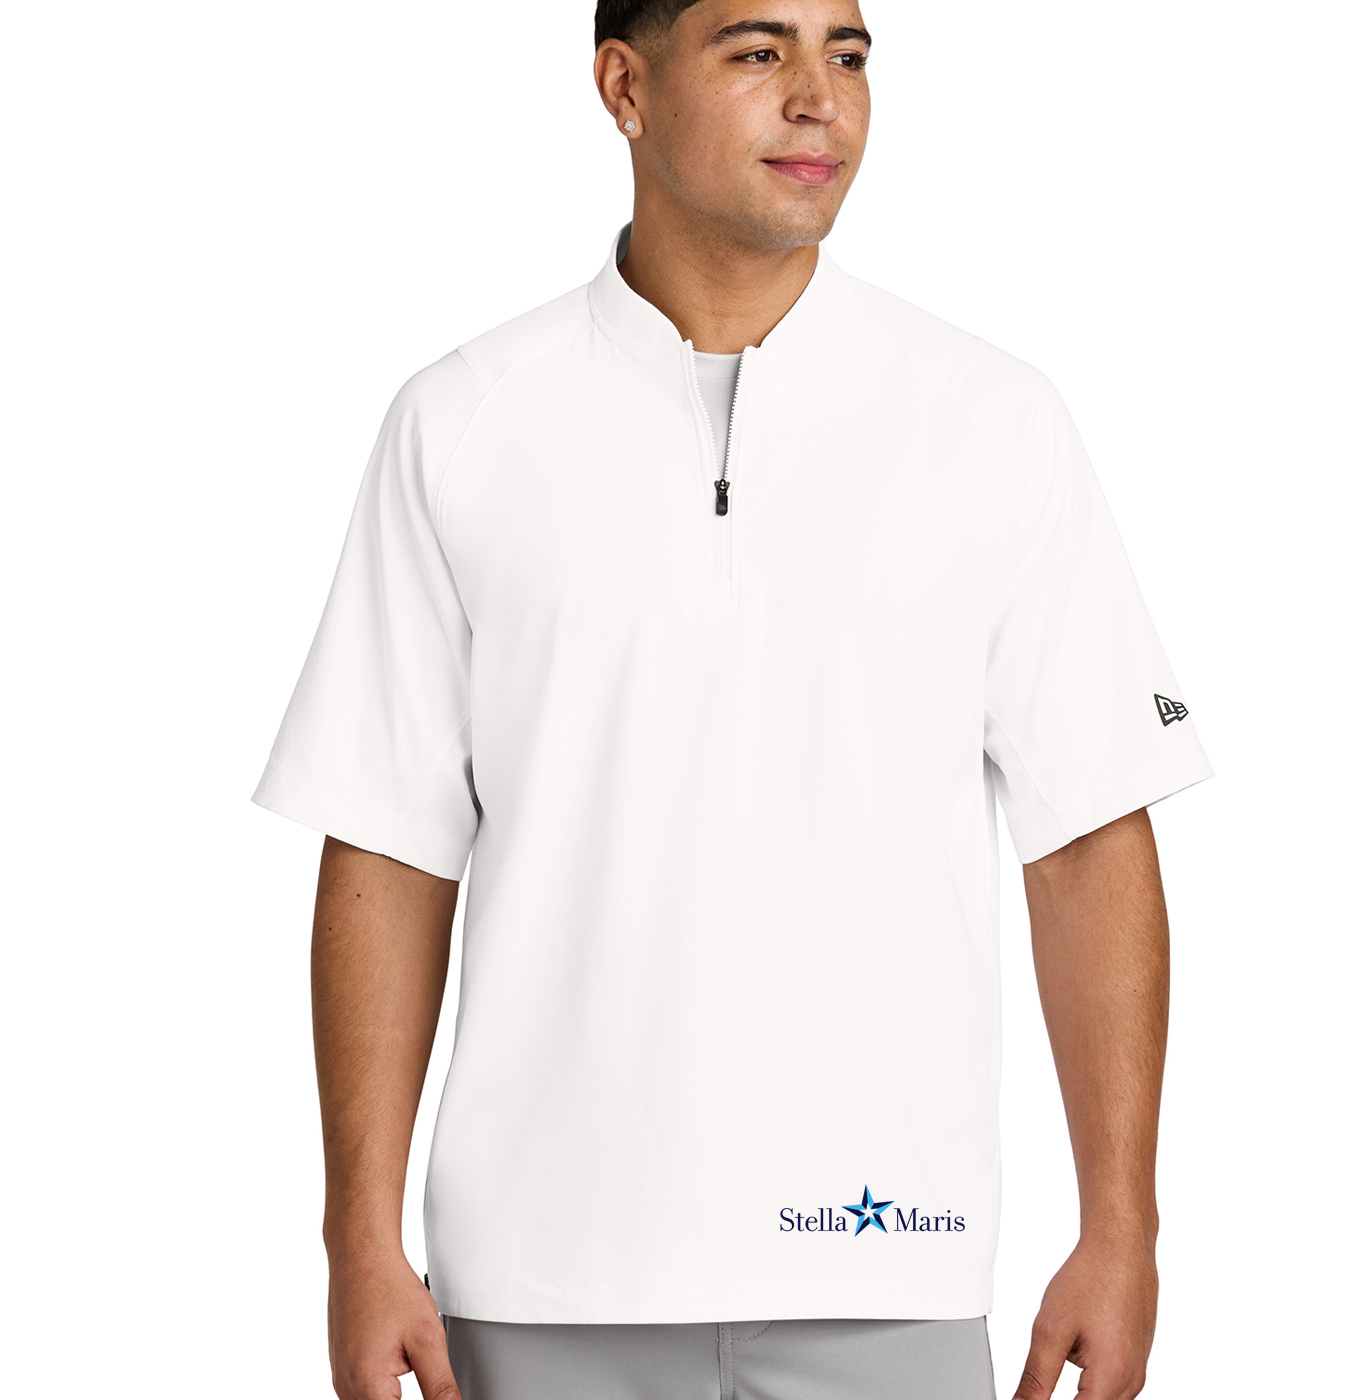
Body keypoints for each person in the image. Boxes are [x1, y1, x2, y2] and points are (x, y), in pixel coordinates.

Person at [252, 2, 1212, 1396]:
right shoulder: (462, 423)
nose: (822, 96)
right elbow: (390, 849)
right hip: (543, 1281)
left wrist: (1122, 1229)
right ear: (624, 86)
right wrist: (360, 1240)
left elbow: (1088, 839)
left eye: (850, 54)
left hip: (885, 1264)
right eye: (760, 52)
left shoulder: (993, 424)